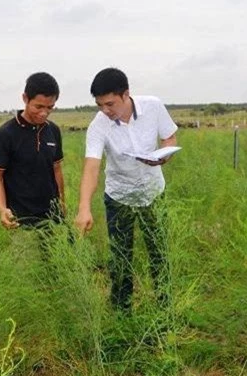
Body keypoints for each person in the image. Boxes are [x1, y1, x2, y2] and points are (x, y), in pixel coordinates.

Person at [74, 67, 178, 314]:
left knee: (159, 252)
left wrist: (163, 157)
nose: (105, 111)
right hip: (119, 197)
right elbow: (91, 166)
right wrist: (84, 207)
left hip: (153, 193)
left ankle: (165, 306)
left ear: (126, 94)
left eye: (110, 104)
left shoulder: (153, 106)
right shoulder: (99, 126)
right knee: (120, 257)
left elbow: (170, 137)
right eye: (100, 105)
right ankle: (122, 311)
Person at [0, 72, 66, 238]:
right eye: (38, 107)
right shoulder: (5, 134)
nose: (44, 113)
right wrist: (2, 210)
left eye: (50, 107)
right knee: (28, 261)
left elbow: (56, 169)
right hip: (20, 217)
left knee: (59, 259)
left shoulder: (53, 130)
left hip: (52, 214)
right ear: (25, 98)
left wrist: (62, 202)